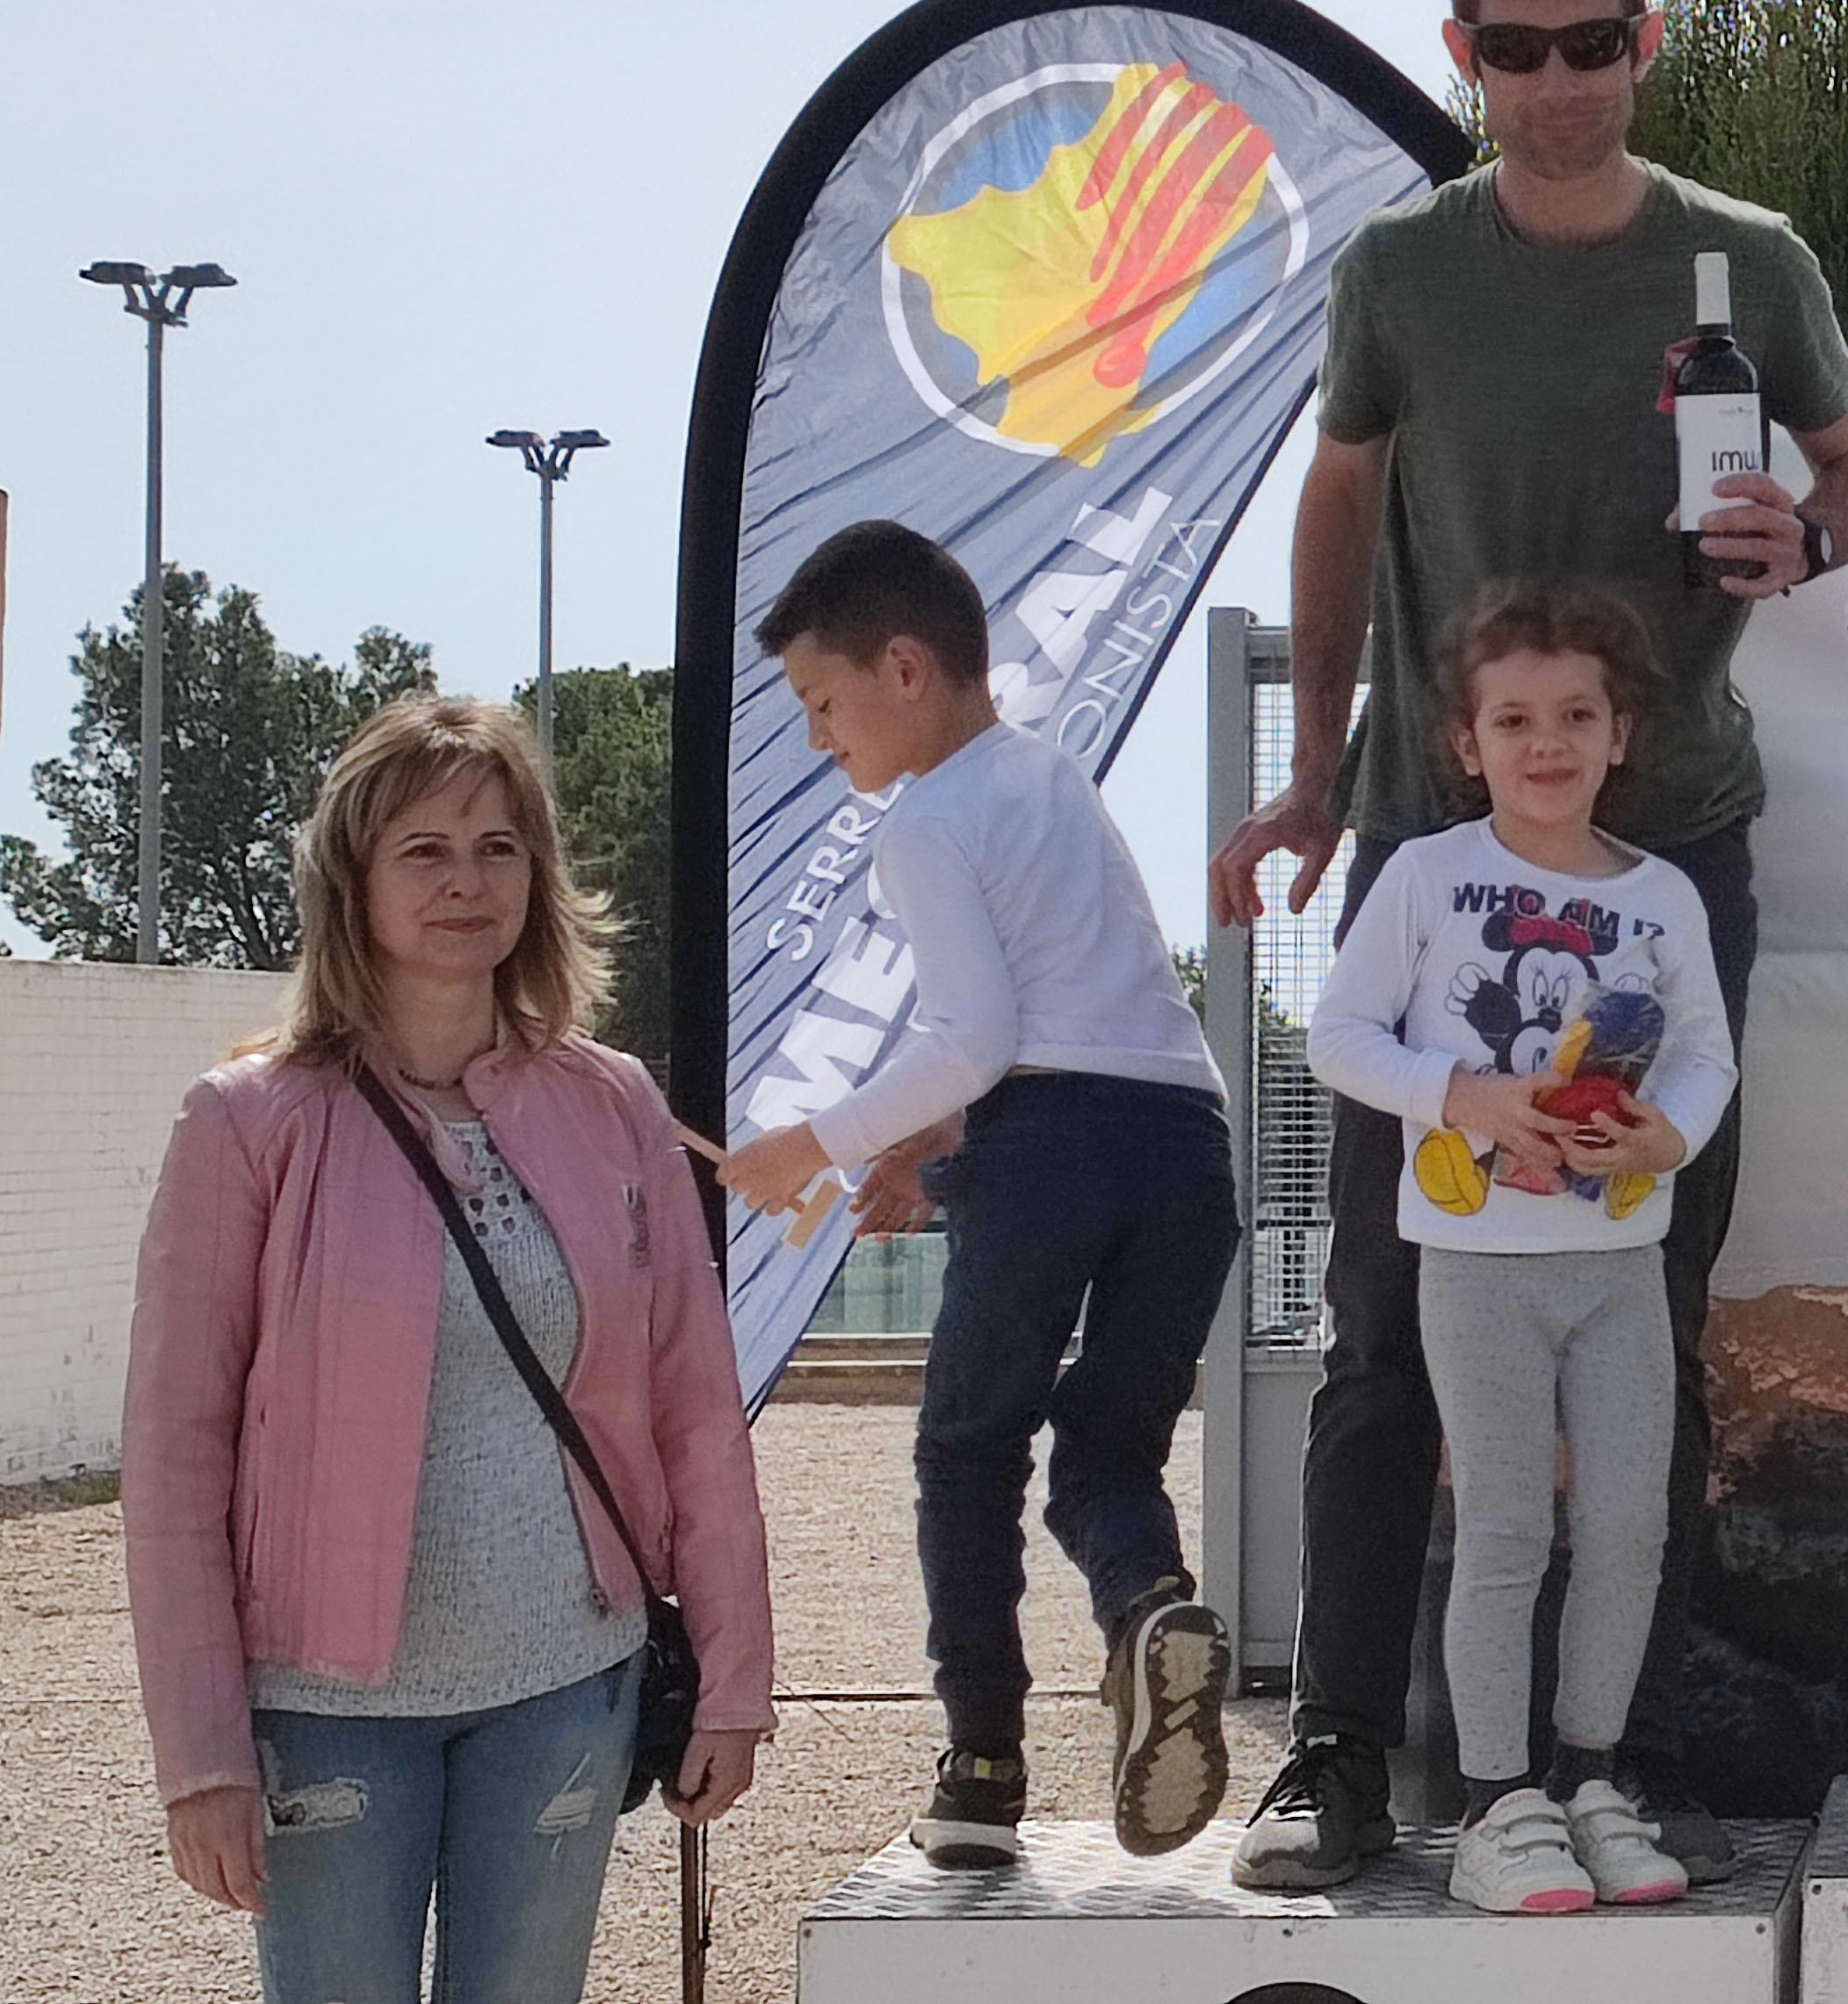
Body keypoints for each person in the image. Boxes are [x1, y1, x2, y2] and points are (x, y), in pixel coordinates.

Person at [1209, 0, 1848, 1894]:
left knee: (1648, 1309)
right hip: (1432, 850)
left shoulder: (1741, 260)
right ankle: (1339, 1747)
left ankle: (1614, 1739)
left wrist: (1810, 536)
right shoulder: (1405, 268)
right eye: (1511, 49)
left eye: (1585, 44)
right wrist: (1322, 775)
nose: (1551, 84)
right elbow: (1341, 489)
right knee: (1380, 1315)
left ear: (1642, 44)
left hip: (1669, 839)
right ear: (1463, 59)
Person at [126, 696, 775, 2004]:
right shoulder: (249, 1122)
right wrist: (202, 1755)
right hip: (322, 1707)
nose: (466, 882)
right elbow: (176, 1451)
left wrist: (736, 1677)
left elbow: (695, 1409)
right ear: (352, 880)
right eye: (423, 850)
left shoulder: (614, 1105)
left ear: (539, 876)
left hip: (564, 1688)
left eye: (499, 846)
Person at [721, 519, 1240, 1866]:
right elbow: (1081, 1039)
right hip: (1186, 1143)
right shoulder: (1052, 780)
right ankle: (1147, 1610)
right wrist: (941, 1161)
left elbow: (978, 1043)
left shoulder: (926, 824)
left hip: (1050, 1140)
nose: (821, 740)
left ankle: (983, 1769)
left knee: (967, 1447)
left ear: (904, 669)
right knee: (1108, 1451)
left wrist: (814, 1144)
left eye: (822, 705)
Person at [1306, 588, 1736, 1914]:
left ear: (1622, 736)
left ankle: (1594, 1779)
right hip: (1475, 1265)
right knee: (1503, 1527)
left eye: (1575, 717)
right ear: (1462, 741)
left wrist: (1665, 1140)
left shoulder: (1663, 897)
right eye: (1514, 719)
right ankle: (1499, 1805)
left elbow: (1708, 1054)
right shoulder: (1426, 875)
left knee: (1626, 1526)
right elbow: (1341, 1037)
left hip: (1618, 1266)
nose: (1545, 743)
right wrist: (1466, 1098)